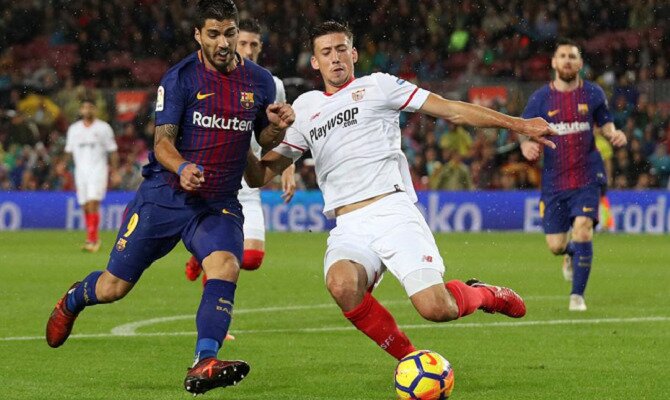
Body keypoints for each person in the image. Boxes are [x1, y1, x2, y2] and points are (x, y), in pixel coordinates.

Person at [244, 21, 556, 363]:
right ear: (315, 62)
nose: (335, 58)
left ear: (354, 53)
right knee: (342, 285)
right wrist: (242, 135)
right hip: (348, 225)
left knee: (437, 308)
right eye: (326, 52)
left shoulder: (379, 86)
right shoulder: (304, 108)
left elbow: (452, 110)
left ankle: (484, 294)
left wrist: (520, 125)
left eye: (341, 49)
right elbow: (259, 175)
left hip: (392, 211)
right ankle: (411, 360)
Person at [45, 0, 295, 395]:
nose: (223, 42)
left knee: (227, 264)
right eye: (213, 34)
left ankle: (204, 360)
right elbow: (162, 142)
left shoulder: (260, 82)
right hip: (165, 195)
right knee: (114, 288)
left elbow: (261, 138)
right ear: (198, 35)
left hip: (218, 201)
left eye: (229, 32)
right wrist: (182, 168)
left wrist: (277, 129)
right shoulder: (180, 78)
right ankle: (74, 298)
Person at [184, 18, 296, 283]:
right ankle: (215, 312)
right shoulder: (213, 79)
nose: (248, 49)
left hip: (248, 182)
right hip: (218, 179)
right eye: (243, 42)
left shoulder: (271, 84)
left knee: (252, 259)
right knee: (224, 256)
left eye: (254, 44)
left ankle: (202, 255)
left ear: (260, 47)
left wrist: (288, 167)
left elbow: (281, 128)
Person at [519, 38, 627, 311]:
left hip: (587, 176)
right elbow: (524, 128)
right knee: (556, 245)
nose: (567, 60)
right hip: (555, 181)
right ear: (554, 63)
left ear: (580, 63)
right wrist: (527, 144)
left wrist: (614, 133)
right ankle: (569, 255)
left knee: (583, 229)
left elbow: (605, 122)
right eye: (562, 56)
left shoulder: (593, 93)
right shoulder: (541, 98)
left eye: (572, 56)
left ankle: (577, 295)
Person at [64, 98, 119, 252]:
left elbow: (112, 151)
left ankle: (92, 240)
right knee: (84, 206)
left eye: (90, 107)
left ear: (95, 109)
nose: (87, 110)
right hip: (80, 172)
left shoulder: (104, 128)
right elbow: (68, 151)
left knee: (92, 203)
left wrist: (114, 171)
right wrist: (62, 165)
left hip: (98, 169)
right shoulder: (74, 129)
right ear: (80, 110)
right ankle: (92, 238)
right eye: (84, 107)